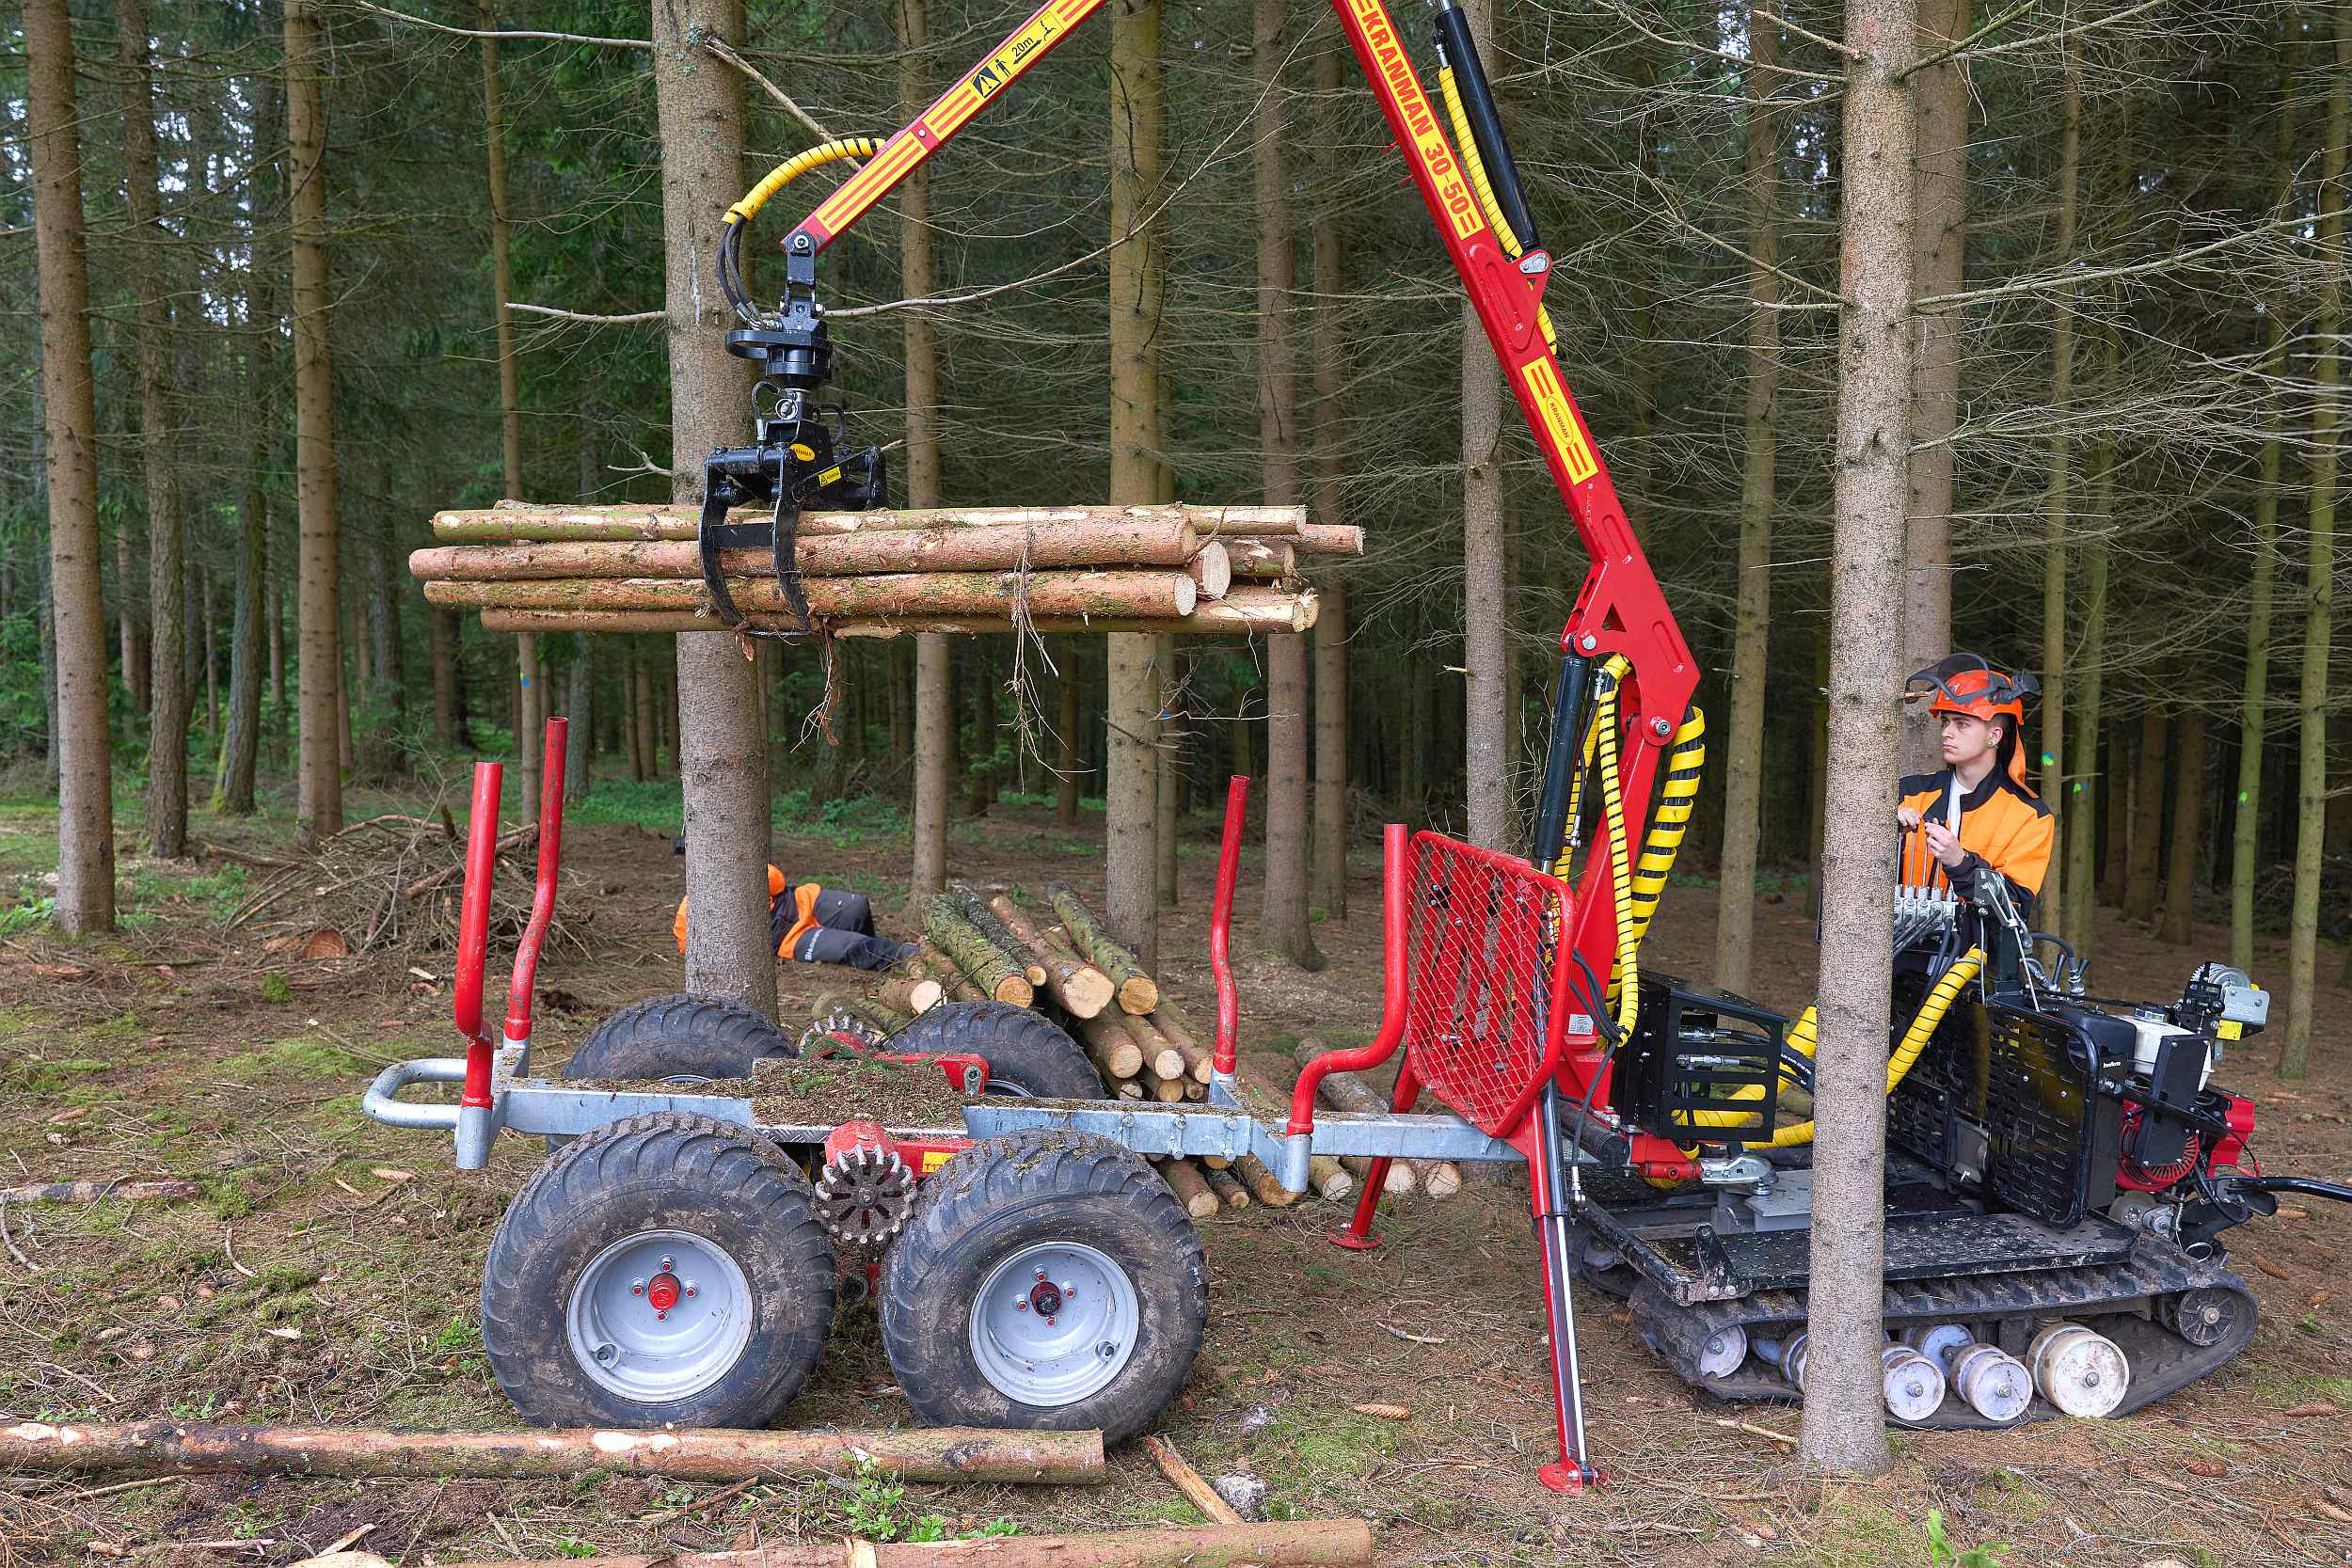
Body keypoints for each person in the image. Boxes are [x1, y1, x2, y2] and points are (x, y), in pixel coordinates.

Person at [1897, 655, 2055, 921]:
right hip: (1903, 944)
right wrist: (1888, 834)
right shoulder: (1910, 793)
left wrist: (1960, 863)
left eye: (1962, 724)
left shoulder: (2030, 816)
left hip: (1977, 946)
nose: (1947, 732)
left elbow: (2015, 903)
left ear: (1994, 735)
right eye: (1946, 722)